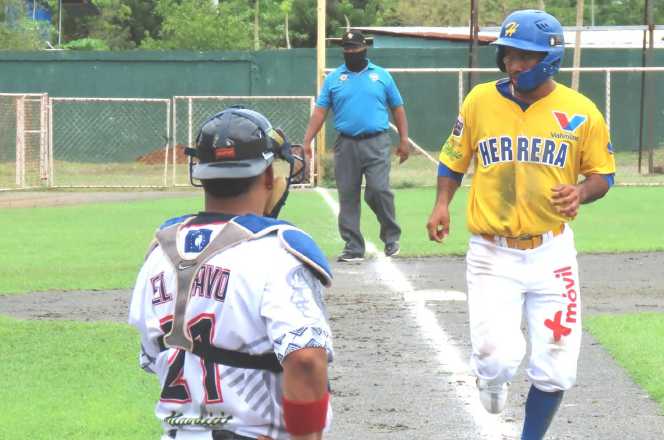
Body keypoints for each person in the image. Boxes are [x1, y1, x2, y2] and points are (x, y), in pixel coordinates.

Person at [426, 10, 615, 440]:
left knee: (557, 363)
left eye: (524, 57)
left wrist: (581, 192)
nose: (513, 64)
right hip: (492, 252)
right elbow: (453, 160)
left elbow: (603, 175)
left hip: (552, 253)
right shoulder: (479, 100)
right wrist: (442, 204)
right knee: (498, 357)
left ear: (549, 58)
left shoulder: (580, 111)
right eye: (509, 55)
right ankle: (490, 379)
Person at [129, 106, 334, 440]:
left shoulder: (160, 253)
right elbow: (307, 359)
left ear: (203, 174)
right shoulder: (277, 252)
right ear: (268, 177)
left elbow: (154, 357)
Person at [303, 30, 410, 262]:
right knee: (348, 195)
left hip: (377, 142)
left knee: (378, 190)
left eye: (355, 48)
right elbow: (320, 111)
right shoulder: (333, 79)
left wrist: (403, 140)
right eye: (347, 48)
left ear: (364, 49)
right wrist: (307, 140)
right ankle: (353, 246)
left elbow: (398, 108)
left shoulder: (381, 76)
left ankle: (391, 237)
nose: (351, 52)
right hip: (346, 144)